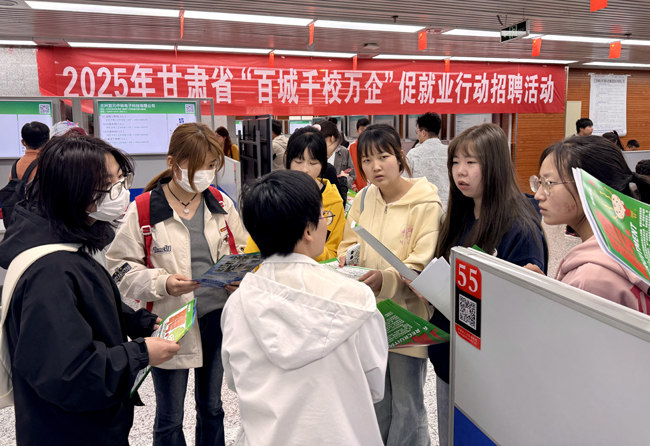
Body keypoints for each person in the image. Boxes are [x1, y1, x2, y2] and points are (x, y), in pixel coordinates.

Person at [0, 135, 179, 446]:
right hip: (70, 431)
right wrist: (140, 353)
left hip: (86, 422)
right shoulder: (50, 270)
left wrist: (138, 322)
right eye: (109, 184)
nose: (120, 192)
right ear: (74, 190)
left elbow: (87, 303)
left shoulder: (63, 240)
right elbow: (70, 373)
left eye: (121, 179)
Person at [222, 169, 388, 446]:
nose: (326, 224)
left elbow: (234, 381)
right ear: (308, 230)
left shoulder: (238, 304)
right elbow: (373, 386)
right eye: (323, 216)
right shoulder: (357, 299)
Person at [106, 122, 248, 446]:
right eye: (198, 167)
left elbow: (241, 248)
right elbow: (118, 268)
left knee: (212, 407)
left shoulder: (220, 203)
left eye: (211, 165)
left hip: (217, 318)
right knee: (170, 417)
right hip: (170, 324)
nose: (206, 173)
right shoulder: (143, 210)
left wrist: (239, 277)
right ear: (172, 163)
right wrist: (163, 282)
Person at [423, 123, 547, 446]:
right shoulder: (460, 215)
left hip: (488, 371)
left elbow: (523, 311)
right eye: (455, 162)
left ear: (494, 165)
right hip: (451, 359)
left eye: (471, 162)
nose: (460, 172)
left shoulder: (519, 227)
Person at [338, 124, 443, 446]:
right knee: (377, 399)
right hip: (370, 315)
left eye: (383, 157)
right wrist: (347, 261)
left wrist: (387, 279)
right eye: (367, 160)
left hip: (408, 317)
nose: (375, 167)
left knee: (407, 403)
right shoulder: (364, 198)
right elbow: (348, 243)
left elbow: (421, 264)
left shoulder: (426, 203)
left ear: (400, 156)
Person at [527, 136, 650, 314]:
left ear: (591, 187)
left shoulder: (588, 280)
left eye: (549, 183)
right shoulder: (635, 239)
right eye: (539, 182)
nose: (538, 195)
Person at [244, 126, 345, 263]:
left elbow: (334, 253)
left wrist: (309, 245)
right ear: (287, 158)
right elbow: (254, 250)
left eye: (313, 162)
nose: (305, 169)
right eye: (298, 161)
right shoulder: (275, 195)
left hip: (316, 274)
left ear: (323, 163)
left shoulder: (334, 201)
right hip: (274, 273)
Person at [406, 112, 450, 211]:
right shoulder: (449, 152)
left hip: (421, 209)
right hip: (447, 208)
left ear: (423, 133)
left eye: (417, 131)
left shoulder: (413, 154)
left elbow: (404, 181)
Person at [315, 120, 349, 201]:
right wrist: (343, 180)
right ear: (332, 139)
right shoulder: (327, 169)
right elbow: (340, 202)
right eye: (336, 147)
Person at [318, 119, 356, 190]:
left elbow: (352, 174)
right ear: (332, 138)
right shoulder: (315, 157)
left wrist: (343, 181)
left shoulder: (344, 152)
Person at [348, 117, 370, 191]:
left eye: (367, 129)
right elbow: (348, 168)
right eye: (362, 130)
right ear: (357, 131)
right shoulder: (352, 147)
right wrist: (353, 185)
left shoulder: (374, 146)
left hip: (374, 186)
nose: (364, 132)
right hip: (358, 187)